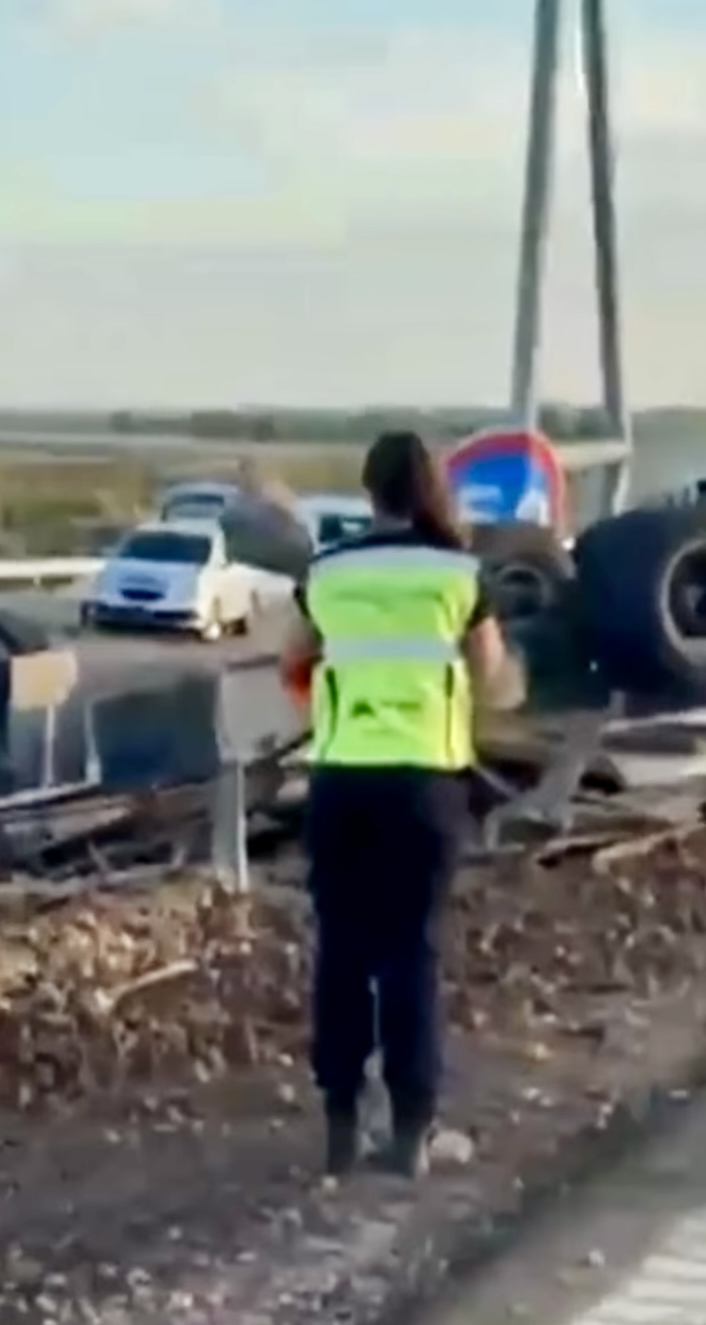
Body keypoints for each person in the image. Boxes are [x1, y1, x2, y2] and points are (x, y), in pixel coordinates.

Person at [281, 429, 520, 1180]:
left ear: (368, 492)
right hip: (424, 786)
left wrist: (331, 705)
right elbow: (492, 676)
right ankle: (413, 1133)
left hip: (342, 779)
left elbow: (294, 657)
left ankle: (341, 1122)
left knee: (343, 949)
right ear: (429, 489)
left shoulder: (326, 572)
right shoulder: (458, 573)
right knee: (410, 953)